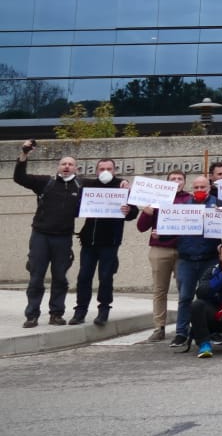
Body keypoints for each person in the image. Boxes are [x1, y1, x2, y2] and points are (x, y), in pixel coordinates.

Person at [13, 142, 83, 327]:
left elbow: (105, 188)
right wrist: (24, 154)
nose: (66, 166)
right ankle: (32, 315)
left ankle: (56, 314)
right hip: (41, 237)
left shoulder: (81, 186)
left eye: (70, 164)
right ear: (58, 167)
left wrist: (122, 183)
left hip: (63, 238)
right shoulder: (45, 182)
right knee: (36, 277)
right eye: (63, 164)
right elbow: (19, 178)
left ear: (76, 168)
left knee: (60, 278)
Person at [70, 157, 138, 326]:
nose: (105, 172)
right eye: (102, 169)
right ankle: (80, 311)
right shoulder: (89, 186)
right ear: (96, 171)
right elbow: (77, 206)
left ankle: (104, 310)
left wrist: (128, 210)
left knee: (106, 277)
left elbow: (133, 213)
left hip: (110, 241)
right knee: (84, 277)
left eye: (109, 169)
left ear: (114, 170)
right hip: (89, 241)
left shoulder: (122, 186)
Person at [168, 175, 221, 351]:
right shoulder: (183, 207)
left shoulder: (220, 204)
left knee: (210, 296)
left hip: (210, 258)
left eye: (202, 187)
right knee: (185, 297)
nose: (199, 190)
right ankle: (181, 333)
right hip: (187, 259)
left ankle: (213, 331)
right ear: (192, 189)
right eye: (196, 187)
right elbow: (170, 230)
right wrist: (161, 233)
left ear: (209, 188)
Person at [135, 170, 186, 342]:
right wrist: (147, 213)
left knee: (184, 290)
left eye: (180, 179)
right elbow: (141, 227)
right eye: (173, 179)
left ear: (184, 182)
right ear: (167, 182)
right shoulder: (156, 200)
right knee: (159, 290)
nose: (177, 181)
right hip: (160, 250)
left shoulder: (189, 200)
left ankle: (183, 327)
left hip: (183, 250)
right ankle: (159, 327)